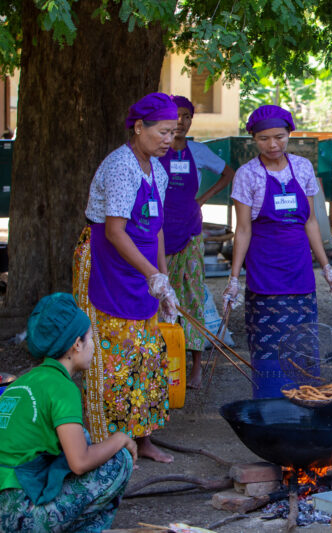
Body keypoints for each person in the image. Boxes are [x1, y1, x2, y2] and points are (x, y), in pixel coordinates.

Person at [73, 92, 179, 463]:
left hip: (141, 269)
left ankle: (143, 437)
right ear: (139, 127)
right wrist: (152, 273)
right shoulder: (120, 166)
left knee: (147, 353)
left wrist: (163, 279)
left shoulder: (158, 171)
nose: (169, 140)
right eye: (163, 131)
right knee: (111, 354)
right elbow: (116, 232)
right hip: (108, 263)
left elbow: (157, 230)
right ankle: (108, 445)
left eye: (174, 132)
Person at [224, 105, 332, 398]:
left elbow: (311, 221)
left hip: (300, 269)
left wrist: (327, 268)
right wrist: (234, 279)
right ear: (254, 138)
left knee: (302, 339)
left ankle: (304, 401)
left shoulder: (302, 167)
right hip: (265, 269)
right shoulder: (247, 174)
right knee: (268, 341)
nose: (273, 144)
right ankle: (270, 402)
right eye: (264, 138)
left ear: (289, 134)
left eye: (280, 137)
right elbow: (242, 230)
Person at [0, 293, 135, 532]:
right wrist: (120, 439)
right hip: (19, 514)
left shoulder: (19, 384)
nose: (94, 346)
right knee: (119, 460)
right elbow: (79, 463)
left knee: (79, 436)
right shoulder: (62, 387)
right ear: (77, 344)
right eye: (91, 338)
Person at [159, 95, 235, 389]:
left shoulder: (198, 152)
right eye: (175, 115)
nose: (180, 121)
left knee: (191, 297)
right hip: (158, 234)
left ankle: (195, 368)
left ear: (191, 120)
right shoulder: (157, 150)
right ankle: (160, 364)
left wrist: (202, 198)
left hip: (190, 233)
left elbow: (228, 173)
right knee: (157, 298)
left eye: (186, 116)